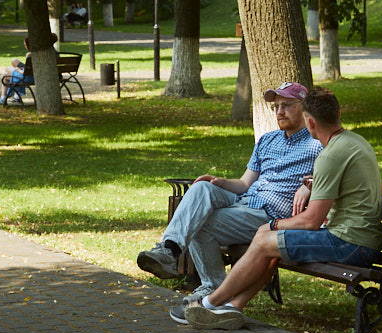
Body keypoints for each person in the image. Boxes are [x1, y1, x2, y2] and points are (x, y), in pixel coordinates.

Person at [183, 86, 382, 330]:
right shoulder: (354, 141)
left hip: (349, 243)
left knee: (265, 239)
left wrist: (272, 224)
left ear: (310, 123)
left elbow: (310, 221)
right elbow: (375, 188)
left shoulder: (330, 155)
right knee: (271, 246)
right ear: (337, 113)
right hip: (359, 238)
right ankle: (232, 308)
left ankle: (209, 303)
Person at [137, 82, 322, 318]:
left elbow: (336, 173)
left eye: (286, 105)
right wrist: (221, 181)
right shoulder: (268, 140)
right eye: (276, 107)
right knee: (202, 187)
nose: (279, 111)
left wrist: (310, 185)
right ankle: (169, 251)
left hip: (270, 215)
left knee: (200, 223)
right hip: (244, 200)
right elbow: (244, 184)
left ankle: (211, 286)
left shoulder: (317, 144)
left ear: (304, 107)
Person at [0, 33, 57, 106]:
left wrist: (18, 70)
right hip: (42, 76)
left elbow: (26, 73)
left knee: (7, 70)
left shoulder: (34, 54)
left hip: (32, 78)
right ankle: (11, 97)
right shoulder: (54, 52)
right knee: (5, 75)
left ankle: (5, 98)